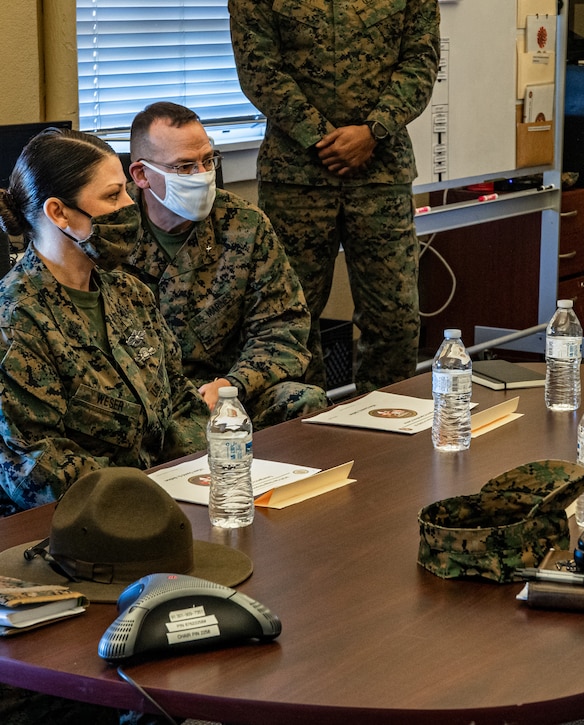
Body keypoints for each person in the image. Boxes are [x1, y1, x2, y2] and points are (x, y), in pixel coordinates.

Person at [227, 0, 440, 393]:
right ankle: (303, 431)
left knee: (395, 317)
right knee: (291, 317)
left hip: (381, 172)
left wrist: (373, 130)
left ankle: (387, 427)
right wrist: (320, 136)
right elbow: (258, 69)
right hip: (295, 176)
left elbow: (420, 63)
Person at [0, 130, 207, 513]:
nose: (130, 206)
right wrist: (146, 490)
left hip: (169, 500)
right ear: (58, 212)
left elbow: (183, 401)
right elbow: (37, 467)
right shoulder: (15, 320)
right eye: (113, 196)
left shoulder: (130, 292)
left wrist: (187, 476)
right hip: (79, 525)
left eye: (127, 192)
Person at [125, 101, 327, 429]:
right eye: (184, 167)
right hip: (146, 404)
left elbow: (283, 328)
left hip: (227, 392)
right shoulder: (111, 235)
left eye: (207, 161)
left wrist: (233, 385)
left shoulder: (244, 224)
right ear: (141, 174)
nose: (203, 176)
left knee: (303, 400)